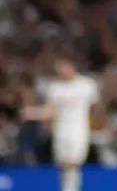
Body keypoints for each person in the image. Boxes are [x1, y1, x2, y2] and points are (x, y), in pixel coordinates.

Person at [22, 59, 99, 191]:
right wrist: (33, 113)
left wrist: (96, 126)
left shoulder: (87, 85)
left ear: (72, 67)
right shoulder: (54, 88)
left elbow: (95, 108)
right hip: (61, 133)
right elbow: (50, 111)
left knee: (75, 163)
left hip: (79, 132)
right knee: (64, 166)